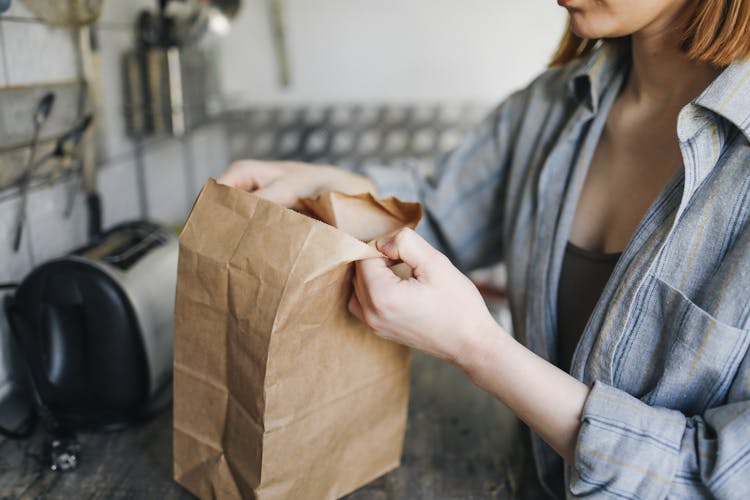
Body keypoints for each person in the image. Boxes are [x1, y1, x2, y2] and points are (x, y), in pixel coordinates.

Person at [218, 0, 750, 497]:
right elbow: (438, 211)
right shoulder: (549, 105)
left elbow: (716, 477)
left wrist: (478, 348)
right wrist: (311, 182)